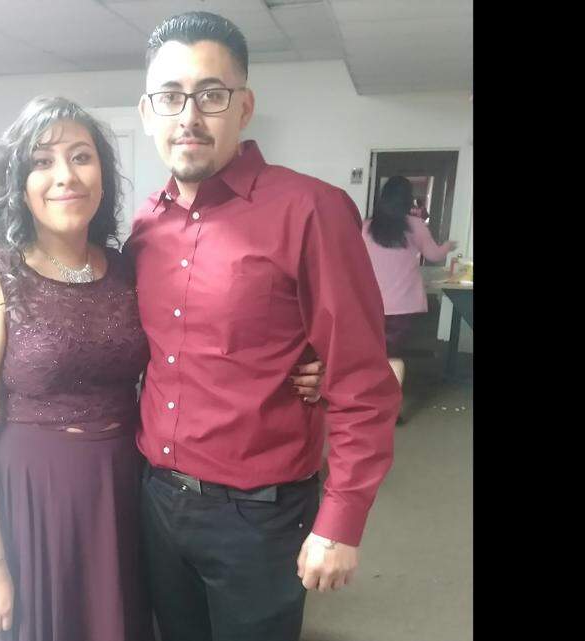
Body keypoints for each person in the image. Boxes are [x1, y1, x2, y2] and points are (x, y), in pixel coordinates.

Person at [125, 12, 399, 641]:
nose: (188, 116)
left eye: (210, 95)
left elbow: (363, 378)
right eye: (170, 97)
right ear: (147, 114)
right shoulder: (145, 226)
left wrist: (341, 521)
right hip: (156, 499)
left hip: (259, 513)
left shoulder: (311, 209)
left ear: (243, 108)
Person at [0, 96, 153, 641]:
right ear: (18, 180)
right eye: (42, 161)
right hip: (34, 498)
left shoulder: (126, 267)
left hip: (122, 486)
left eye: (81, 157)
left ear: (102, 175)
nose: (65, 176)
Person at [363, 176, 457, 395]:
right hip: (403, 305)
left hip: (369, 303)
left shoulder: (366, 226)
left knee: (370, 354)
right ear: (408, 200)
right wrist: (447, 247)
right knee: (393, 357)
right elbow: (433, 255)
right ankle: (391, 409)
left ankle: (368, 399)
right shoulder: (414, 225)